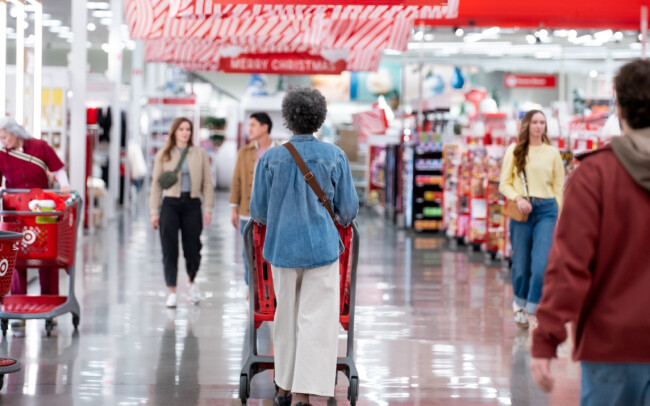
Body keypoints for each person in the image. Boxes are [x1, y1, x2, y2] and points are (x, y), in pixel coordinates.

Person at [530, 59, 650, 405]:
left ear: (619, 108)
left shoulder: (594, 176)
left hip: (610, 346)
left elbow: (570, 265)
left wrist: (546, 338)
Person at [250, 87, 358, 406]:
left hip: (281, 250)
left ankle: (284, 385)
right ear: (320, 118)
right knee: (317, 320)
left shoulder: (270, 158)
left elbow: (258, 211)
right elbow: (348, 209)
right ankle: (306, 394)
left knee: (285, 318)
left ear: (288, 119)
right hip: (323, 251)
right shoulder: (335, 156)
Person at [0, 117, 71, 327]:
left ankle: (50, 304)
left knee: (47, 256)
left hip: (42, 211)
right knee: (17, 257)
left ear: (15, 133)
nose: (3, 142)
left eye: (4, 137)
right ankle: (17, 305)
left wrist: (65, 186)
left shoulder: (40, 147)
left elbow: (57, 168)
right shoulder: (2, 154)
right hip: (15, 212)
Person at [499, 110, 565, 329]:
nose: (539, 126)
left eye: (542, 122)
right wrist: (517, 198)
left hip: (547, 210)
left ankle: (532, 309)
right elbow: (504, 183)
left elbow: (558, 186)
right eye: (535, 122)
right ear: (527, 125)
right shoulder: (515, 150)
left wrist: (560, 211)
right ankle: (519, 302)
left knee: (541, 263)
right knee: (521, 263)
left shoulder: (552, 153)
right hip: (522, 211)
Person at [149, 117, 214, 308]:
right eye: (181, 129)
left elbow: (208, 183)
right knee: (169, 249)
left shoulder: (199, 153)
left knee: (193, 249)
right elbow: (156, 185)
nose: (185, 132)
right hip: (170, 204)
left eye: (188, 129)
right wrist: (154, 211)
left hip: (193, 204)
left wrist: (208, 208)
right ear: (174, 132)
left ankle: (192, 282)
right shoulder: (164, 154)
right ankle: (171, 291)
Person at [229, 112, 278, 288]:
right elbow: (237, 180)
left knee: (269, 253)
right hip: (246, 212)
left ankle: (268, 290)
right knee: (248, 253)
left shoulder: (279, 151)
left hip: (273, 214)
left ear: (265, 127)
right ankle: (251, 291)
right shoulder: (245, 152)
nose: (249, 129)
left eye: (253, 125)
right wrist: (234, 208)